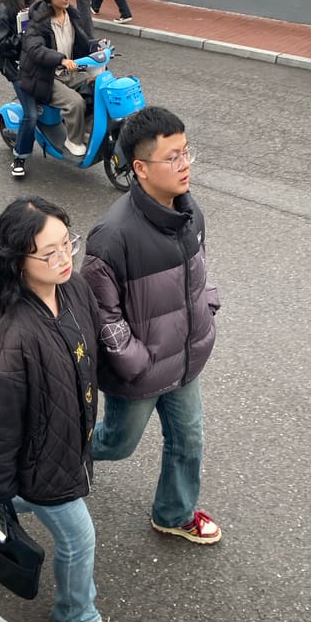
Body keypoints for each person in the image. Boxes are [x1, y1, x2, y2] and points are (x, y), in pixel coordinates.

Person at [0, 195, 118, 622]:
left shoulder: (72, 288)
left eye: (67, 243)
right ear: (17, 261)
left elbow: (94, 348)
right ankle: (77, 617)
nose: (65, 258)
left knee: (22, 498)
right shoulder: (6, 341)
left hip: (67, 442)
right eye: (49, 253)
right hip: (42, 464)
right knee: (78, 537)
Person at [81, 106, 222, 544]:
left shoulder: (190, 212)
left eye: (186, 152)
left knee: (189, 439)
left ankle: (174, 514)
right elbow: (102, 314)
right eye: (172, 157)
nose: (184, 165)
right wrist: (137, 361)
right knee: (116, 444)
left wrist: (207, 304)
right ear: (140, 168)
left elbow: (198, 270)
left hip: (184, 358)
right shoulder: (113, 236)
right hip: (141, 371)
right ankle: (46, 460)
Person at [18, 0, 99, 157]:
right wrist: (61, 59)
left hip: (70, 72)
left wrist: (97, 46)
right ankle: (73, 141)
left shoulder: (71, 15)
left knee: (98, 89)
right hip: (46, 76)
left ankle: (85, 131)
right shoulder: (39, 21)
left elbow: (83, 42)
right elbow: (35, 49)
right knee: (75, 102)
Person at [0, 0, 38, 178]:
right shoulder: (5, 10)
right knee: (31, 114)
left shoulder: (35, 5)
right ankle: (20, 157)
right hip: (17, 69)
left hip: (38, 65)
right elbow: (2, 46)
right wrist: (22, 37)